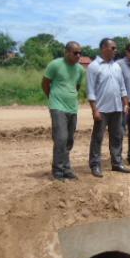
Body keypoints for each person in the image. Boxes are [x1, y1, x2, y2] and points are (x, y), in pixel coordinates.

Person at [42, 41, 85, 181]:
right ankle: (57, 171)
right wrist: (52, 98)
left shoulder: (80, 70)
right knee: (60, 138)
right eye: (75, 53)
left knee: (69, 140)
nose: (78, 55)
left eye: (80, 53)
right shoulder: (55, 65)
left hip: (72, 107)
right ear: (66, 52)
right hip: (57, 106)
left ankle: (66, 168)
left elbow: (76, 87)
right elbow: (45, 83)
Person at [87, 38, 130, 177]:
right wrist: (95, 109)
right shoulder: (94, 66)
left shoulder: (116, 66)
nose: (115, 50)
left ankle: (117, 163)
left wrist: (126, 103)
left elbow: (122, 86)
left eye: (115, 48)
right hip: (102, 109)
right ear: (104, 48)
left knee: (117, 136)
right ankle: (95, 165)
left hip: (117, 108)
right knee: (98, 138)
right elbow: (91, 90)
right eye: (113, 48)